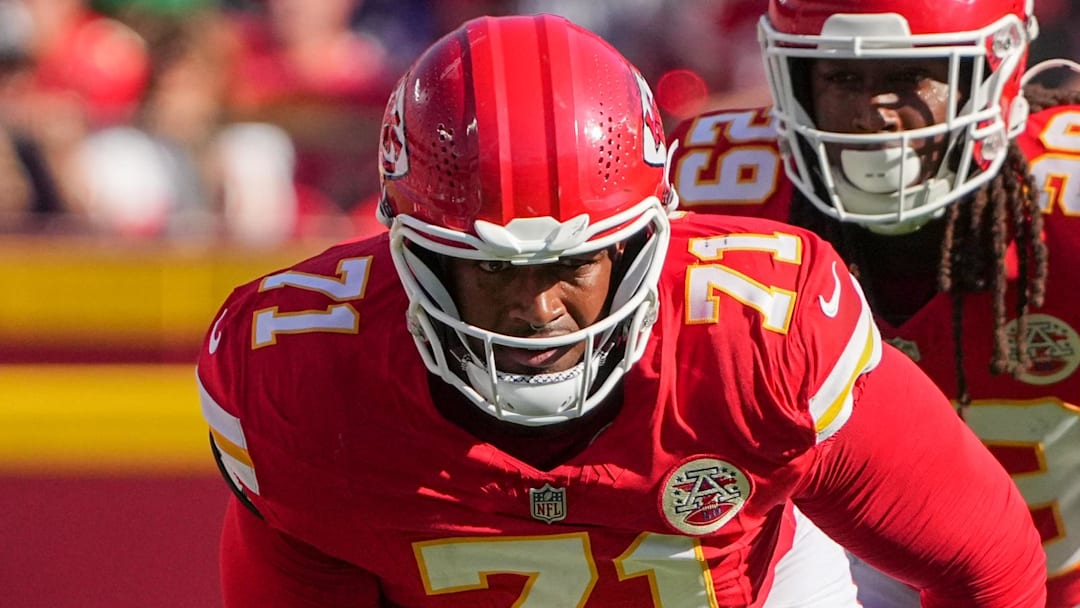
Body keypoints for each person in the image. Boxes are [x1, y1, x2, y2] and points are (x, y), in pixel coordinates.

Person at [196, 13, 1045, 607]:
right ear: (415, 252)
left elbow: (987, 562)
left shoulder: (759, 334)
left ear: (643, 244)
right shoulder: (303, 378)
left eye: (573, 263)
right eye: (490, 268)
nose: (537, 306)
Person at [668, 0, 1079, 605]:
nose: (870, 113)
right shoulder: (712, 195)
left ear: (996, 72)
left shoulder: (1065, 208)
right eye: (841, 76)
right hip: (823, 577)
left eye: (908, 76)